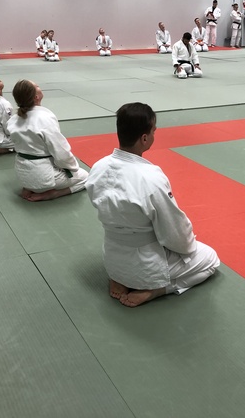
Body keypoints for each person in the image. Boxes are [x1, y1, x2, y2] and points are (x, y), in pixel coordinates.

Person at [85, 102, 220, 308]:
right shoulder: (151, 177)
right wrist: (188, 247)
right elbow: (174, 231)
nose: (154, 134)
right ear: (144, 138)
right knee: (211, 259)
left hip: (112, 259)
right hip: (146, 268)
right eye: (153, 131)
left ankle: (120, 279)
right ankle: (158, 290)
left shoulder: (98, 167)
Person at [6, 80, 89, 201]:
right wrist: (72, 167)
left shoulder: (13, 120)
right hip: (44, 178)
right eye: (37, 86)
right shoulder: (44, 119)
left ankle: (29, 187)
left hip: (23, 175)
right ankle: (54, 194)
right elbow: (61, 153)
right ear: (36, 97)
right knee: (87, 177)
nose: (39, 86)